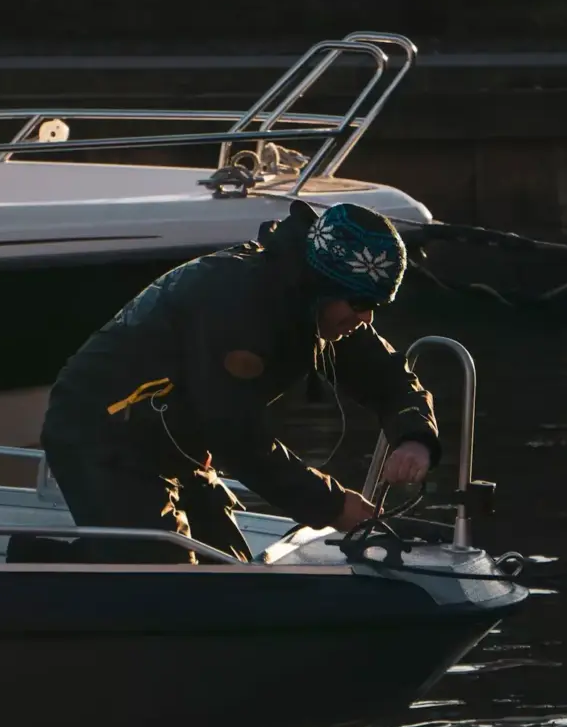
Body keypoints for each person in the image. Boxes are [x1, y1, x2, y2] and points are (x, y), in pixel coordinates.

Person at [37, 199, 442, 564]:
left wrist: (414, 437)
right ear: (323, 286)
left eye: (376, 306)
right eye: (362, 304)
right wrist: (334, 505)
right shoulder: (239, 305)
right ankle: (44, 571)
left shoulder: (323, 305)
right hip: (102, 434)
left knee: (229, 568)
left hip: (176, 442)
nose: (367, 318)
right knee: (165, 582)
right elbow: (234, 435)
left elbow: (388, 375)